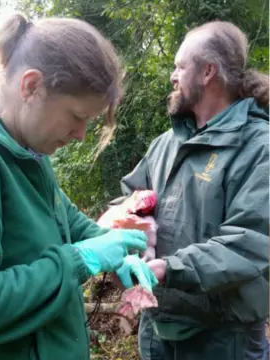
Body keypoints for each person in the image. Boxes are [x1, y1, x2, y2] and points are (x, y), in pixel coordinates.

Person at [0, 13, 158, 360]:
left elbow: (62, 216)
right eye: (77, 117)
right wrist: (81, 260)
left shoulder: (27, 147)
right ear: (31, 86)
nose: (80, 135)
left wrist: (111, 249)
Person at [116, 21, 269, 360]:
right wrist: (122, 225)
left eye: (180, 66)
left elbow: (251, 241)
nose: (173, 76)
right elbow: (130, 200)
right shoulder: (165, 144)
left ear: (207, 72)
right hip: (156, 331)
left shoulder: (260, 146)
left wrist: (167, 269)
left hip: (224, 339)